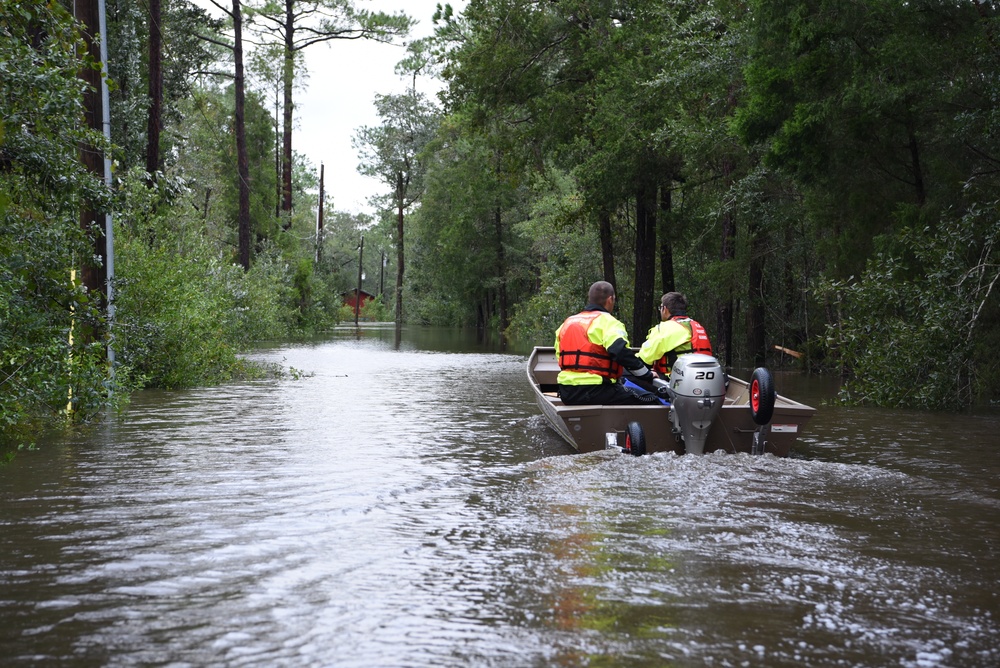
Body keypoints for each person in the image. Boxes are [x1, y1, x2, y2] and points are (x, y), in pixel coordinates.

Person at [555, 281, 660, 405]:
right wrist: (646, 375)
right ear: (610, 299)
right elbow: (620, 352)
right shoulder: (608, 322)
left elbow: (559, 355)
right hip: (597, 389)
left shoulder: (567, 323)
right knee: (652, 398)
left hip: (567, 392)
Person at [638, 291, 713, 377]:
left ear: (665, 309)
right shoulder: (697, 325)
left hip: (674, 381)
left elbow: (644, 360)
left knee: (629, 373)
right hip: (703, 376)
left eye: (660, 307)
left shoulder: (665, 328)